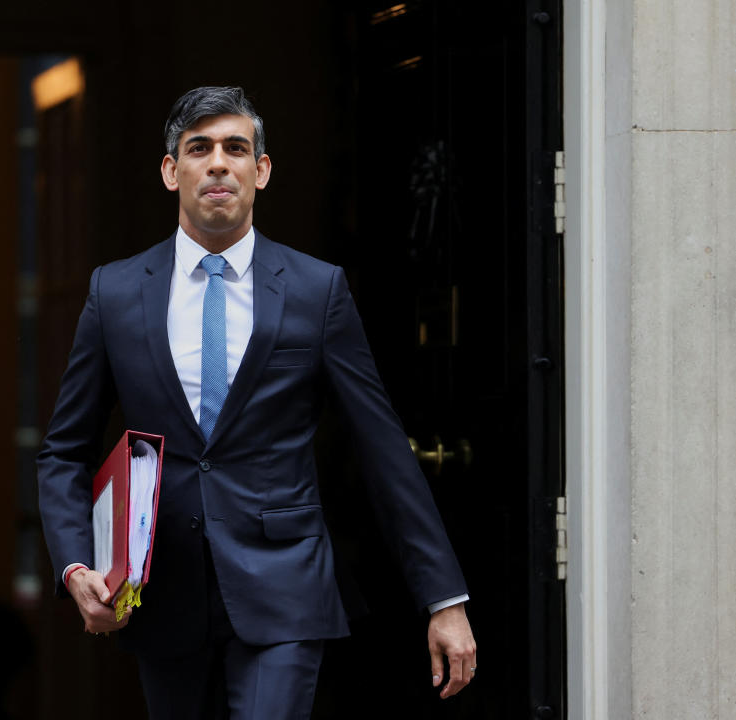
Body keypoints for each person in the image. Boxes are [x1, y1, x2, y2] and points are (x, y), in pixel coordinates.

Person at [37, 86, 476, 719]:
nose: (218, 163)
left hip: (285, 586)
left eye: (235, 148)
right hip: (159, 593)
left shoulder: (316, 289)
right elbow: (63, 450)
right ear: (171, 171)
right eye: (199, 148)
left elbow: (383, 449)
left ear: (260, 171)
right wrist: (78, 562)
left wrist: (444, 599)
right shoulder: (116, 291)